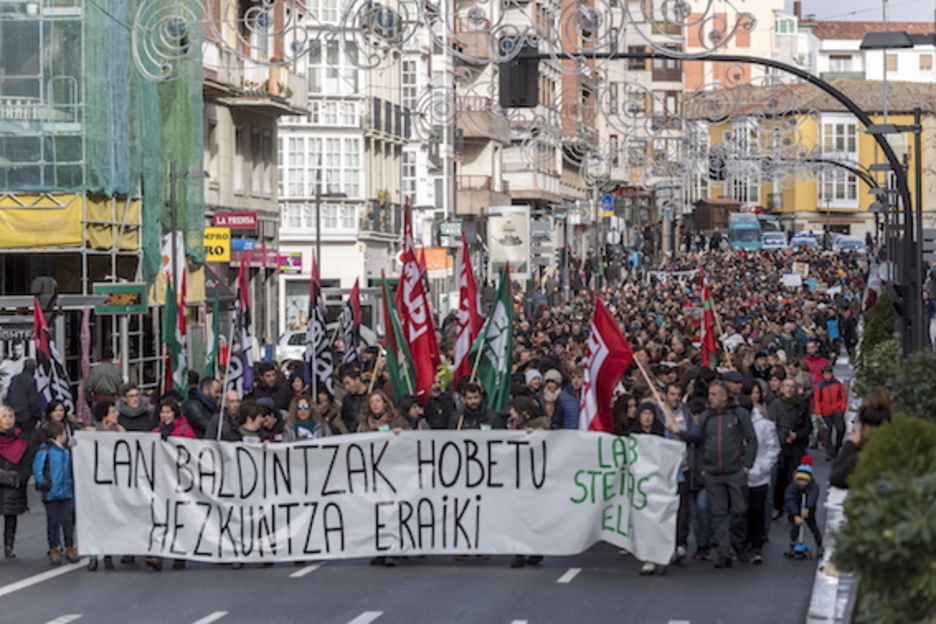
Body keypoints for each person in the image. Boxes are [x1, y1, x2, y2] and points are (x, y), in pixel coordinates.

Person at [699, 382, 758, 568]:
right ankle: (724, 552)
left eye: (715, 394)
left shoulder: (738, 414)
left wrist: (747, 464)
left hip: (735, 471)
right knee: (719, 513)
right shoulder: (706, 416)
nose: (711, 397)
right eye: (710, 394)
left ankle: (738, 543)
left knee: (740, 509)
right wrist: (703, 466)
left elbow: (751, 439)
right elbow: (699, 442)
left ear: (725, 396)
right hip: (713, 473)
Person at [740, 389, 780, 564]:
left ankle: (756, 546)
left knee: (756, 511)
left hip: (758, 476)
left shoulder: (765, 425)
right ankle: (741, 544)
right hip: (738, 475)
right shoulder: (734, 423)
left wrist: (761, 469)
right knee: (740, 511)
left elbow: (773, 448)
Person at [32, 421, 78, 565]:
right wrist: (43, 484)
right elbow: (37, 469)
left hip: (65, 492)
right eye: (64, 433)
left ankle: (69, 547)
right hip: (51, 492)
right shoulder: (45, 450)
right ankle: (54, 548)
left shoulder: (65, 451)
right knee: (53, 522)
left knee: (68, 521)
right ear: (59, 435)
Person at [86, 400, 123, 571]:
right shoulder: (90, 433)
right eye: (113, 411)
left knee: (110, 518)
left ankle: (108, 553)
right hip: (95, 483)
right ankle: (93, 555)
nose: (117, 414)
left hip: (113, 482)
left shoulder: (119, 432)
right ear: (104, 416)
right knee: (94, 518)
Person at [830, 388, 892, 489]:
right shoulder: (895, 447)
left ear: (865, 427)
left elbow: (836, 478)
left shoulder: (863, 455)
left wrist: (851, 443)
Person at [770, 378, 811, 519]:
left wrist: (796, 435)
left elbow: (808, 427)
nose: (789, 389)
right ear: (781, 388)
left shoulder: (802, 406)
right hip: (779, 446)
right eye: (787, 386)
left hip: (796, 447)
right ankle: (777, 506)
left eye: (792, 387)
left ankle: (792, 508)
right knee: (778, 479)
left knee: (793, 478)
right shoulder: (775, 405)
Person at [0, 405, 32, 559]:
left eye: (10, 417)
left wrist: (21, 479)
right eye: (4, 416)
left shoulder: (21, 438)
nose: (7, 420)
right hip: (4, 480)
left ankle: (8, 546)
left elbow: (27, 462)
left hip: (14, 484)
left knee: (11, 517)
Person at [784, 460, 823, 557]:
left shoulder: (813, 487)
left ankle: (819, 545)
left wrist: (808, 507)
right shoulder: (792, 488)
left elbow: (813, 496)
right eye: (799, 480)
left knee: (813, 527)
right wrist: (796, 514)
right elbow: (790, 500)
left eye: (804, 480)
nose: (802, 483)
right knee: (795, 526)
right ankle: (792, 543)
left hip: (808, 510)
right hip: (796, 509)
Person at [813, 364, 847, 461]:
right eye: (825, 374)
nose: (827, 376)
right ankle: (829, 451)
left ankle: (837, 446)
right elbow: (817, 400)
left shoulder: (838, 384)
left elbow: (843, 397)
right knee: (827, 433)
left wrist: (842, 408)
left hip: (837, 410)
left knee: (841, 429)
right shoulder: (820, 386)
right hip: (826, 411)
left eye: (828, 374)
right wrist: (819, 412)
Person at [4, 358, 43, 438]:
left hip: (14, 415)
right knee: (28, 440)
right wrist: (38, 415)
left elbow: (8, 397)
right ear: (34, 369)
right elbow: (33, 400)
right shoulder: (31, 381)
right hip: (27, 416)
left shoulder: (14, 378)